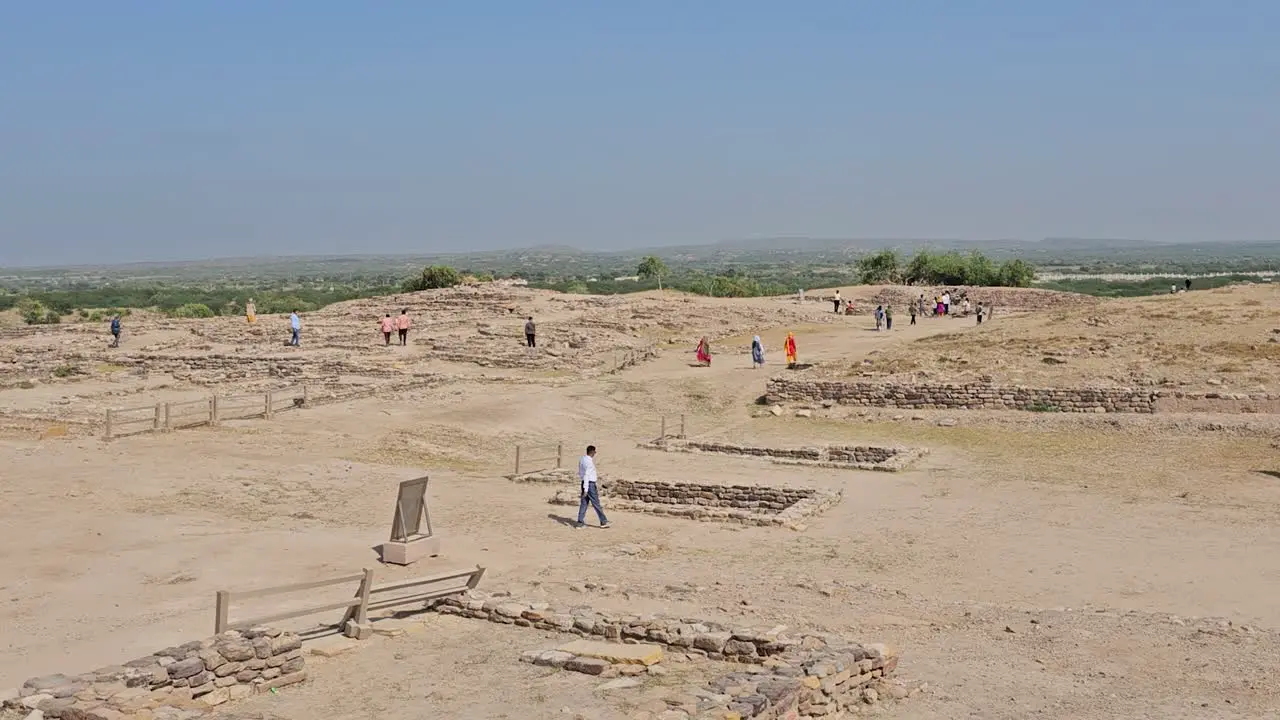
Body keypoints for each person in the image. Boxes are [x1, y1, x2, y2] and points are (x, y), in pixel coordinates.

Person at [576, 445, 609, 529]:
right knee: (596, 503)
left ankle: (580, 522)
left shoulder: (582, 459)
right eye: (594, 452)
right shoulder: (589, 462)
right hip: (589, 484)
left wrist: (584, 485)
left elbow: (580, 472)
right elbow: (587, 475)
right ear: (592, 452)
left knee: (584, 503)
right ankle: (603, 522)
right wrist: (586, 489)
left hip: (584, 483)